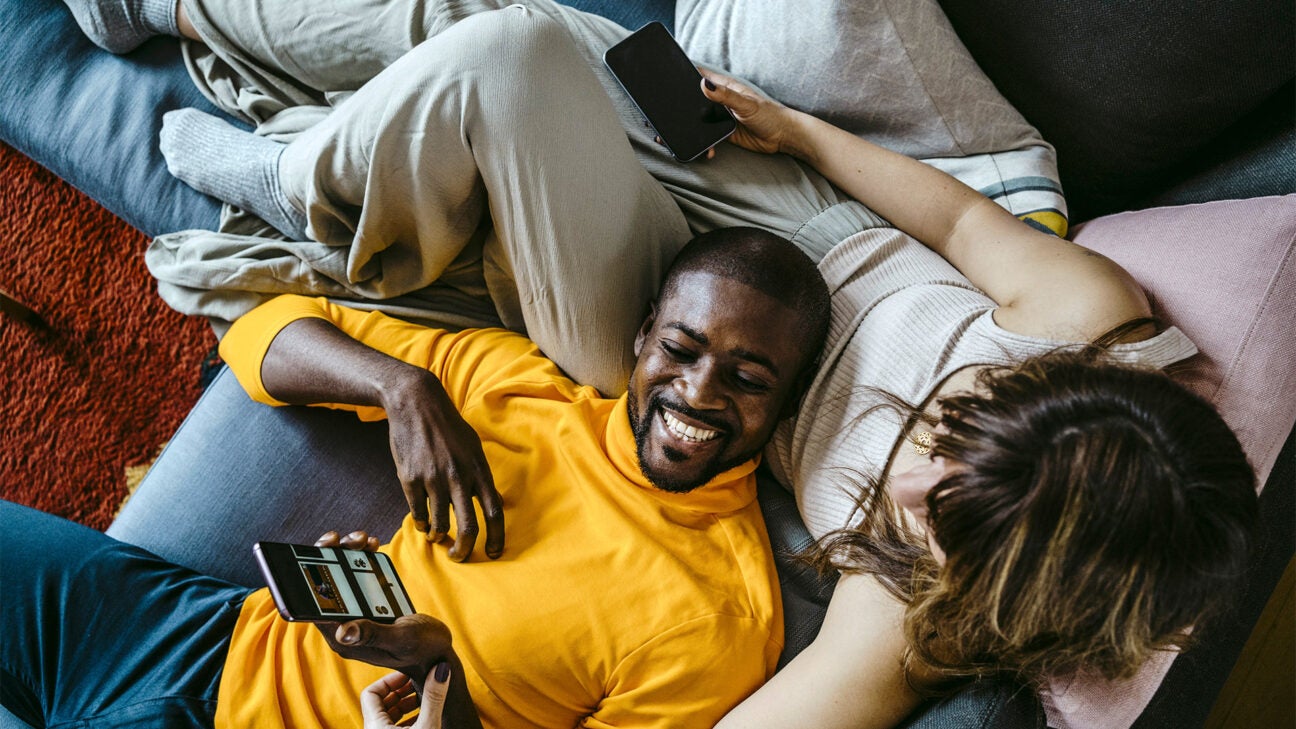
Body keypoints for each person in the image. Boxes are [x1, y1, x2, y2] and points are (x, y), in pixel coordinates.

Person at [57, 1, 1258, 727]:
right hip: (791, 223)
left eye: (936, 498)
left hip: (678, 345)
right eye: (967, 421)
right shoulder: (1089, 318)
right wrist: (798, 134)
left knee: (513, 60)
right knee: (506, 31)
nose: (917, 452)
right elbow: (951, 226)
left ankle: (301, 174)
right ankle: (170, 14)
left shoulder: (906, 623)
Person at [1, 225, 832, 728]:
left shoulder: (719, 621)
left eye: (749, 379)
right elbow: (257, 335)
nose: (697, 393)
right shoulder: (521, 391)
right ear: (647, 333)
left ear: (787, 401)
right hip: (197, 639)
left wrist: (442, 674)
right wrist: (401, 387)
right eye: (681, 351)